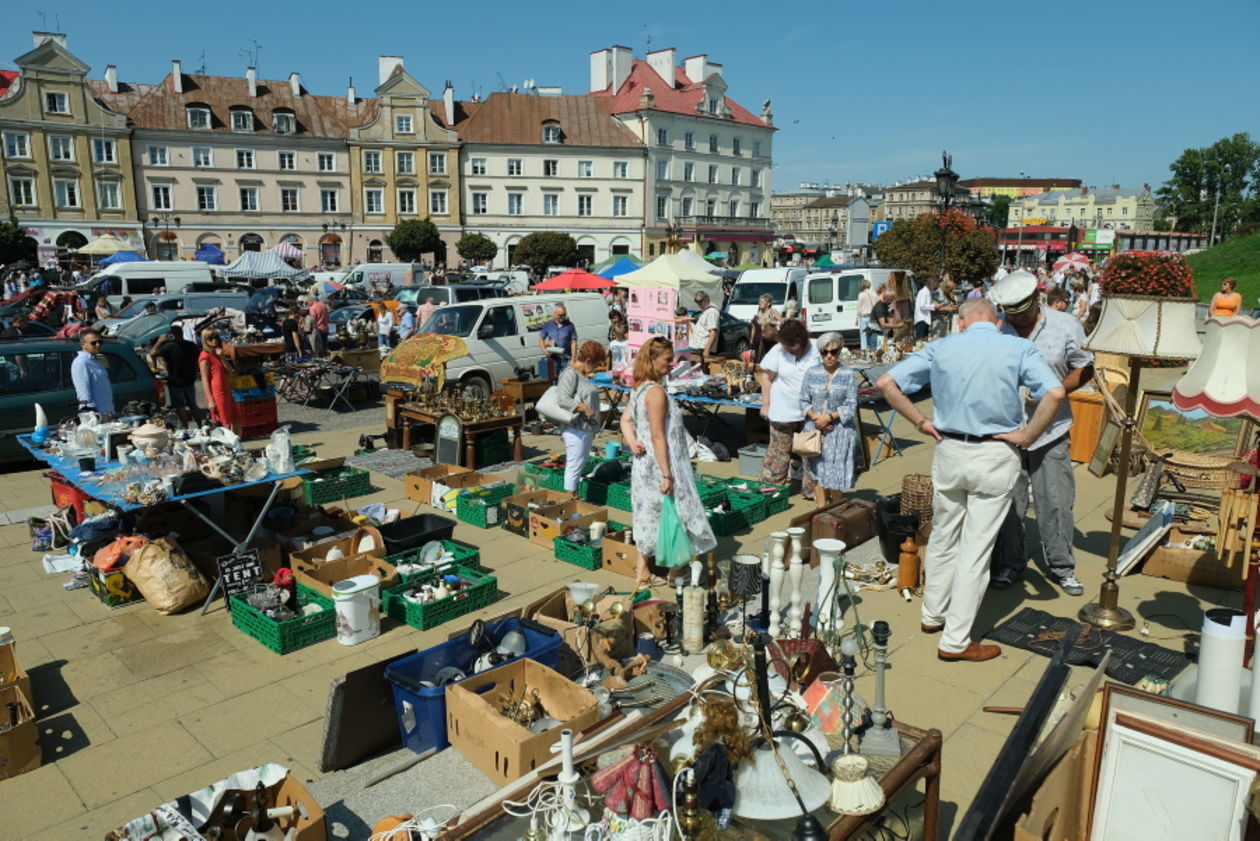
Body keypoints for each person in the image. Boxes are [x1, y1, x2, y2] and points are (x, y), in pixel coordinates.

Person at [876, 298, 1064, 662]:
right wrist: (1028, 435)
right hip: (994, 452)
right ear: (996, 323)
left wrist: (920, 422)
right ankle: (955, 640)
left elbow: (886, 383)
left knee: (945, 535)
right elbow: (1055, 392)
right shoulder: (1017, 347)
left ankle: (933, 614)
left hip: (950, 450)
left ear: (961, 323)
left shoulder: (941, 346)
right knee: (976, 549)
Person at [988, 270, 1094, 596]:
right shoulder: (998, 330)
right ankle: (1010, 564)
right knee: (1009, 503)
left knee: (1057, 501)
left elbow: (1086, 367)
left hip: (1051, 430)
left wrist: (1055, 390)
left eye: (1023, 313)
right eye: (1011, 314)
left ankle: (1062, 567)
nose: (1017, 321)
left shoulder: (1065, 325)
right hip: (1008, 429)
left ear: (1038, 299)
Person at [620, 336, 717, 584]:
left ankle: (643, 570)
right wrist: (667, 474)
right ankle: (676, 569)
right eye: (667, 360)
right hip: (660, 464)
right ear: (652, 360)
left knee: (649, 516)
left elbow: (625, 421)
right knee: (676, 515)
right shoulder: (655, 392)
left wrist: (632, 441)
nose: (671, 364)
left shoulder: (639, 388)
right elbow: (657, 436)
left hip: (644, 465)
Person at [757, 318, 820, 489]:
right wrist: (766, 405)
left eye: (792, 346)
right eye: (785, 345)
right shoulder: (778, 350)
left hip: (811, 413)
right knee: (778, 453)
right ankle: (771, 489)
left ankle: (813, 491)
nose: (788, 349)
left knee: (811, 452)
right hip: (782, 411)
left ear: (802, 340)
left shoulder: (817, 348)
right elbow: (767, 378)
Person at [798, 332, 858, 507]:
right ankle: (821, 510)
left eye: (834, 351)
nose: (829, 356)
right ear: (820, 352)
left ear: (840, 350)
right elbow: (803, 400)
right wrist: (816, 417)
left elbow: (851, 404)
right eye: (825, 352)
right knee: (818, 473)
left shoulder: (848, 374)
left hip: (839, 432)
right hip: (815, 430)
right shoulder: (811, 372)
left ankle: (838, 509)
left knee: (835, 474)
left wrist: (830, 417)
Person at [555, 340, 607, 492]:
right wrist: (585, 408)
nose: (596, 369)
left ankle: (573, 496)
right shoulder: (570, 374)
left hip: (583, 428)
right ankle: (569, 499)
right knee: (574, 466)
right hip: (576, 429)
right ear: (589, 361)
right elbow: (563, 399)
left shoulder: (579, 374)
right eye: (596, 364)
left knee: (578, 464)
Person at [150, 325, 203, 426]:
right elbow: (197, 358)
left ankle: (186, 427)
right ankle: (200, 425)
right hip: (189, 379)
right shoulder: (191, 345)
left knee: (180, 406)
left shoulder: (170, 346)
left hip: (175, 380)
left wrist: (159, 341)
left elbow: (152, 353)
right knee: (193, 405)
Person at [71, 330, 115, 417]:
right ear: (83, 344)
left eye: (100, 342)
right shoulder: (81, 363)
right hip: (97, 416)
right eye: (93, 343)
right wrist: (92, 416)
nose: (98, 345)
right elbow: (83, 393)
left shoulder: (94, 360)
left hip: (107, 413)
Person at [199, 329, 237, 427]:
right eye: (210, 339)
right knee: (224, 422)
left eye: (216, 337)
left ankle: (234, 440)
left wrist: (222, 357)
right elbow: (204, 380)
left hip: (226, 391)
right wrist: (211, 400)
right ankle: (227, 441)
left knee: (235, 420)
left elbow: (230, 371)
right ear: (205, 340)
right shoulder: (205, 356)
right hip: (217, 393)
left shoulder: (217, 354)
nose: (214, 341)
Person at [539, 304, 578, 378]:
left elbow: (574, 342)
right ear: (555, 313)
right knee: (553, 379)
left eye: (564, 315)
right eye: (560, 315)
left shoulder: (570, 326)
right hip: (553, 358)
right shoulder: (548, 325)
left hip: (566, 357)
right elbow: (541, 339)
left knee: (567, 379)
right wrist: (544, 350)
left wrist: (573, 359)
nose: (562, 317)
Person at [751, 293, 783, 360]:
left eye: (762, 301)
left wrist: (772, 322)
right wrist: (751, 339)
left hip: (771, 340)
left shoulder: (773, 312)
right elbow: (754, 327)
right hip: (761, 341)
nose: (760, 303)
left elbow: (782, 322)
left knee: (771, 358)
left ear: (768, 303)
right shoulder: (759, 313)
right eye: (759, 301)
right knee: (760, 358)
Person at [689, 291, 720, 361]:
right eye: (696, 301)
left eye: (700, 301)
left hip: (702, 349)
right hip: (698, 348)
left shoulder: (712, 311)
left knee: (701, 370)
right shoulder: (706, 311)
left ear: (707, 299)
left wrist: (707, 350)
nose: (698, 304)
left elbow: (713, 331)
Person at [856, 280, 879, 351]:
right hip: (872, 316)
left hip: (864, 317)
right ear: (869, 285)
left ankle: (864, 350)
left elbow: (859, 308)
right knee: (873, 333)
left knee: (863, 335)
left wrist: (856, 319)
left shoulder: (861, 295)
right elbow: (877, 305)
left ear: (862, 286)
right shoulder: (874, 294)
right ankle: (874, 349)